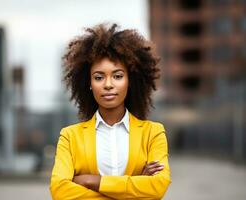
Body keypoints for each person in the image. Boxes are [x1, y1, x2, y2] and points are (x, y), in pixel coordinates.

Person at [50, 23, 171, 200]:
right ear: (89, 83)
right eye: (99, 77)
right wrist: (134, 188)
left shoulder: (153, 134)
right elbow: (60, 191)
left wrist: (94, 181)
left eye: (117, 76)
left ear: (130, 81)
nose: (108, 84)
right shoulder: (70, 137)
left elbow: (158, 187)